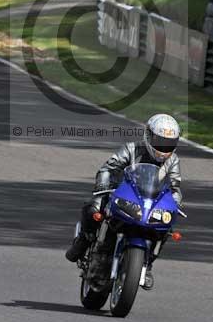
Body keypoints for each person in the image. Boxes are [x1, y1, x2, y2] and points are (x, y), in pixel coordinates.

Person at [65, 114, 183, 290]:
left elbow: (174, 186)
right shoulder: (131, 149)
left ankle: (147, 264)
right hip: (123, 194)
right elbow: (108, 168)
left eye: (168, 143)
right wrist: (104, 185)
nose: (163, 148)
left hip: (149, 202)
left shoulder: (172, 161)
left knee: (166, 226)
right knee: (94, 207)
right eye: (160, 141)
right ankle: (84, 239)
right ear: (148, 136)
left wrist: (175, 202)